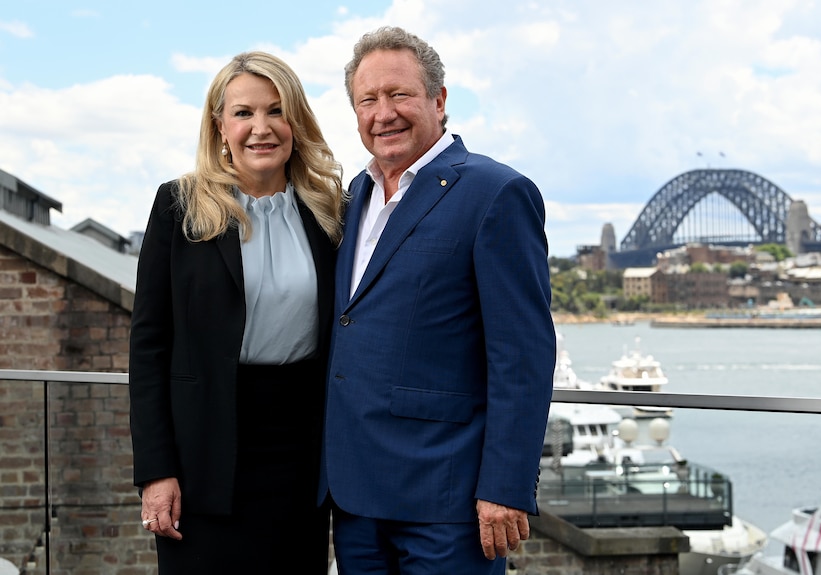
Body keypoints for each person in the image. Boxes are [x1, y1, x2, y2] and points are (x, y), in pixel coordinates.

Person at [318, 26, 555, 574]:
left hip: (448, 503)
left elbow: (522, 355)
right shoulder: (354, 197)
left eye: (400, 94)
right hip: (356, 499)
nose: (384, 114)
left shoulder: (495, 192)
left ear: (439, 100)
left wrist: (506, 485)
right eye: (368, 100)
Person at [129, 51, 343, 574]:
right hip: (203, 457)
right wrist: (156, 473)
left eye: (276, 111)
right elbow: (148, 346)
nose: (261, 128)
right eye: (244, 113)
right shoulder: (178, 206)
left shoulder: (330, 209)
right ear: (219, 125)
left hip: (301, 455)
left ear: (297, 121)